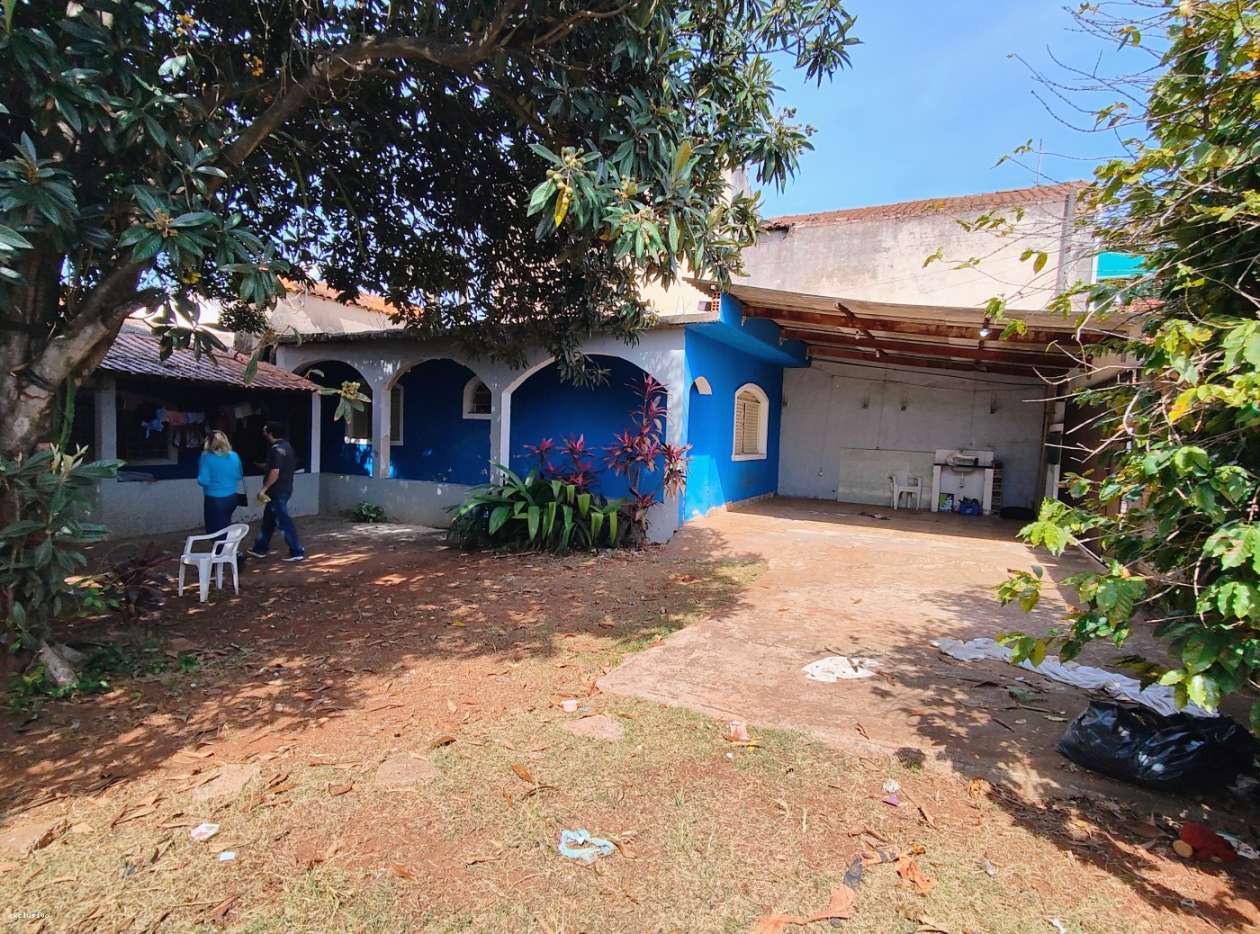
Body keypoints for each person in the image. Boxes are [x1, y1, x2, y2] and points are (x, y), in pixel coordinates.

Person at [247, 421, 305, 561]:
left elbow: (275, 471)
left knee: (283, 521)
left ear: (270, 433)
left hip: (277, 490)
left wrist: (264, 489)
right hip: (285, 488)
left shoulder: (275, 449)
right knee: (269, 520)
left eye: (265, 431)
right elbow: (277, 466)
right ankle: (260, 548)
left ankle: (296, 550)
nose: (263, 433)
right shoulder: (287, 447)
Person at [196, 430, 244, 535]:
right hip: (232, 497)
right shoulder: (234, 455)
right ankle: (229, 544)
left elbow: (203, 480)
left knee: (215, 532)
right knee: (225, 525)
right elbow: (239, 476)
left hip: (214, 498)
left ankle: (223, 546)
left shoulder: (206, 457)